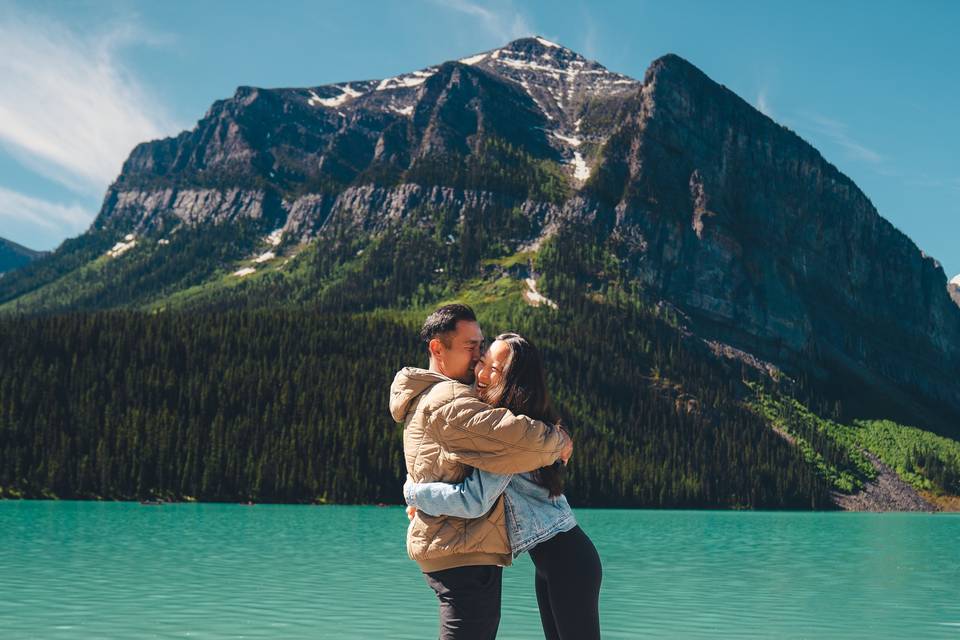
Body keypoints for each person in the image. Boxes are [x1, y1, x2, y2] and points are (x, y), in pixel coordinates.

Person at [390, 305, 573, 640]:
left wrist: (420, 495)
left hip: (455, 546)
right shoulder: (449, 400)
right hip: (462, 552)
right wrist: (557, 439)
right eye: (470, 347)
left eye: (481, 345)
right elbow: (515, 440)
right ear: (437, 348)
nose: (477, 358)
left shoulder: (436, 395)